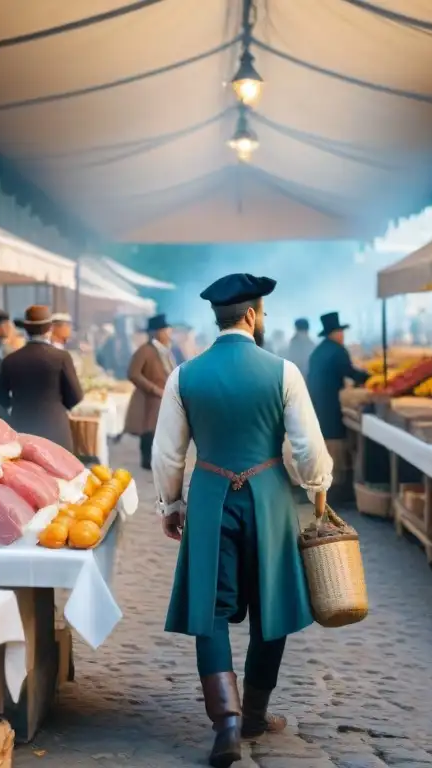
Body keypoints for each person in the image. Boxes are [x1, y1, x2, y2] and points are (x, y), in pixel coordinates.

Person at [151, 273, 332, 768]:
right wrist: (317, 492)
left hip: (209, 494)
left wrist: (171, 506)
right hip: (269, 495)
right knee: (272, 602)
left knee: (209, 607)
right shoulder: (283, 372)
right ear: (252, 315)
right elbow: (307, 448)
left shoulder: (184, 374)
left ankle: (226, 725)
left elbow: (167, 453)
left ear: (219, 317)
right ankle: (254, 714)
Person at [0, 305, 84, 449]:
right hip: (55, 428)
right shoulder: (61, 357)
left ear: (26, 329)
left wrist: (17, 404)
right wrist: (58, 405)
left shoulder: (11, 360)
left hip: (21, 425)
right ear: (50, 329)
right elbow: (76, 395)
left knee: (26, 469)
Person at [307, 312, 369, 500]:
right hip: (331, 406)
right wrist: (369, 378)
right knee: (335, 447)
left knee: (323, 446)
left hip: (316, 405)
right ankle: (335, 491)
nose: (342, 335)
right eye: (341, 332)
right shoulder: (338, 350)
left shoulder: (318, 351)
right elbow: (350, 372)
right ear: (335, 333)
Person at [124, 314, 176, 470]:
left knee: (161, 431)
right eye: (166, 330)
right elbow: (133, 373)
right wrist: (153, 388)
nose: (169, 333)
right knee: (149, 430)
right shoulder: (145, 350)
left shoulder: (165, 351)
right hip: (149, 400)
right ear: (157, 332)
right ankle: (148, 461)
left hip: (162, 399)